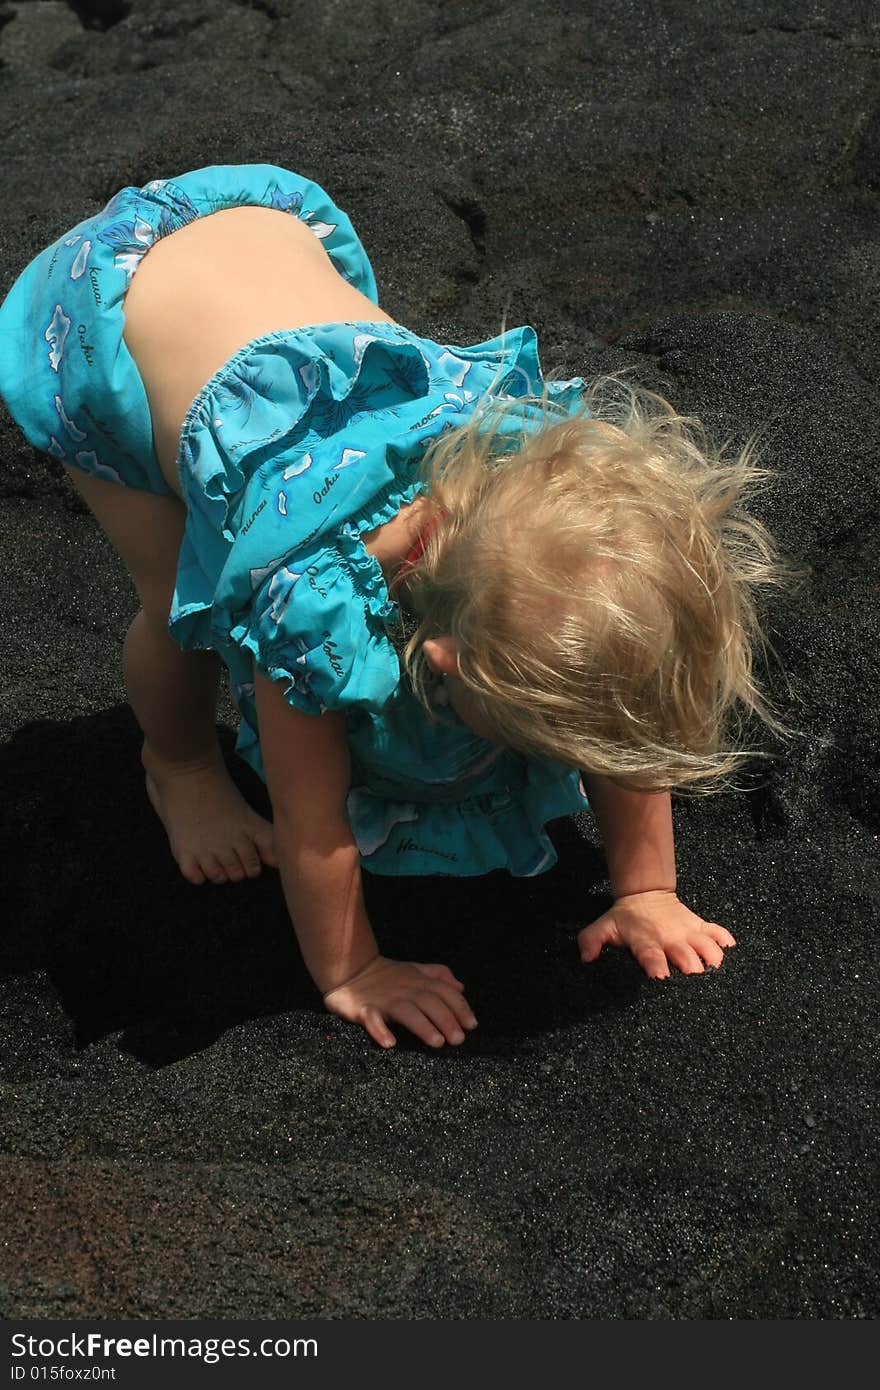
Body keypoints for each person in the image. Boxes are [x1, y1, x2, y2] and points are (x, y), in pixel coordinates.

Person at [0, 163, 802, 1050]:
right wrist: (352, 971)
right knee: (174, 607)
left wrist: (645, 888)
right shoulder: (311, 610)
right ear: (443, 663)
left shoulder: (547, 478)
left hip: (266, 248)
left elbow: (627, 715)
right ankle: (177, 768)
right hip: (117, 332)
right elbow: (314, 830)